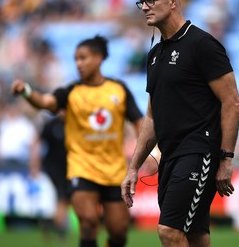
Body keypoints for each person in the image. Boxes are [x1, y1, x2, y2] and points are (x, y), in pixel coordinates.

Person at [121, 0, 239, 247]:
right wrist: (133, 167)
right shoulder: (153, 56)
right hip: (170, 156)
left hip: (199, 151)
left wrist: (226, 158)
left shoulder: (202, 45)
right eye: (142, 1)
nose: (144, 7)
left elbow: (232, 102)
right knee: (196, 235)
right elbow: (152, 117)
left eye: (151, 0)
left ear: (173, 1)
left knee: (169, 231)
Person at [11, 35, 143, 247]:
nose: (78, 64)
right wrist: (26, 92)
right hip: (82, 168)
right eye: (76, 59)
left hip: (115, 171)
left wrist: (144, 152)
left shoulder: (118, 89)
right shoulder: (70, 91)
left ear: (99, 58)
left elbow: (139, 122)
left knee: (119, 233)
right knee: (89, 221)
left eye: (83, 58)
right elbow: (45, 102)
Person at [29, 111, 70, 241]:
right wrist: (35, 163)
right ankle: (59, 228)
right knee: (62, 197)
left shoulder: (71, 124)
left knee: (63, 198)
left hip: (68, 167)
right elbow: (36, 141)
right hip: (53, 167)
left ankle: (51, 223)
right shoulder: (51, 125)